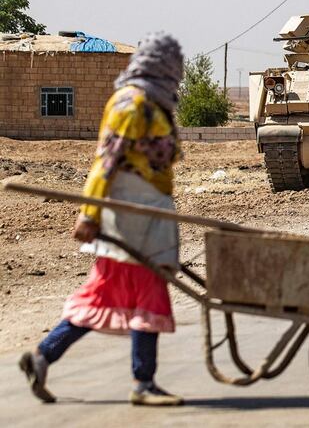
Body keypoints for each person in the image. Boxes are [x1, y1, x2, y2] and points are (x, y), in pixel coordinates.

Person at [19, 33, 185, 406]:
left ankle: (43, 356)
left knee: (104, 294)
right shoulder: (132, 105)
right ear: (160, 64)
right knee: (148, 292)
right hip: (130, 216)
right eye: (173, 63)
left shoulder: (153, 103)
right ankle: (143, 384)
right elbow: (105, 163)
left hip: (148, 212)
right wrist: (88, 213)